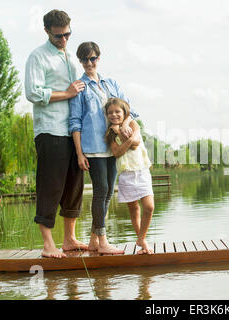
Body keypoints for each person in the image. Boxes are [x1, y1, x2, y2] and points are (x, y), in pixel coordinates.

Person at [25, 9, 88, 258]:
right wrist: (67, 93)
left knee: (74, 183)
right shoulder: (37, 57)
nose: (64, 40)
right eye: (58, 36)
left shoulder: (70, 56)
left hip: (73, 130)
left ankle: (70, 239)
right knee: (51, 185)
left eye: (67, 34)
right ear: (47, 32)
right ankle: (48, 244)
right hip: (50, 129)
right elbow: (33, 93)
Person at [69, 42, 140, 254]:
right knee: (101, 192)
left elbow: (128, 109)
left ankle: (93, 241)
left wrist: (125, 125)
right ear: (80, 61)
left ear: (98, 59)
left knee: (108, 192)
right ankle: (103, 242)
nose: (89, 63)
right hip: (93, 148)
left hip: (113, 147)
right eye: (84, 59)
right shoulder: (80, 88)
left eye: (92, 59)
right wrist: (79, 153)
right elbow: (75, 122)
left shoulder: (111, 84)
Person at [105, 98, 155, 255]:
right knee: (134, 209)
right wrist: (121, 137)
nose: (114, 115)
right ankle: (142, 242)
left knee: (149, 207)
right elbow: (117, 153)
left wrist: (120, 132)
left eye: (117, 111)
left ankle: (141, 237)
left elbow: (135, 143)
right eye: (110, 112)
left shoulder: (133, 125)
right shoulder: (109, 134)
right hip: (126, 175)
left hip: (142, 171)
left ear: (125, 112)